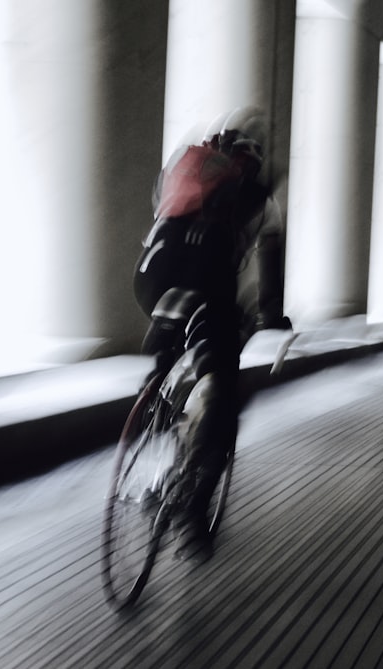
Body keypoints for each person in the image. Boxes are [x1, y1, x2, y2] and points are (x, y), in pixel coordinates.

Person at [132, 107, 291, 559]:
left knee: (171, 338)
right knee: (223, 391)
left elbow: (161, 213)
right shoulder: (261, 196)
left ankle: (155, 397)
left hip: (151, 275)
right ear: (255, 158)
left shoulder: (185, 166)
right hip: (207, 286)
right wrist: (271, 316)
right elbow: (270, 267)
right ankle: (194, 510)